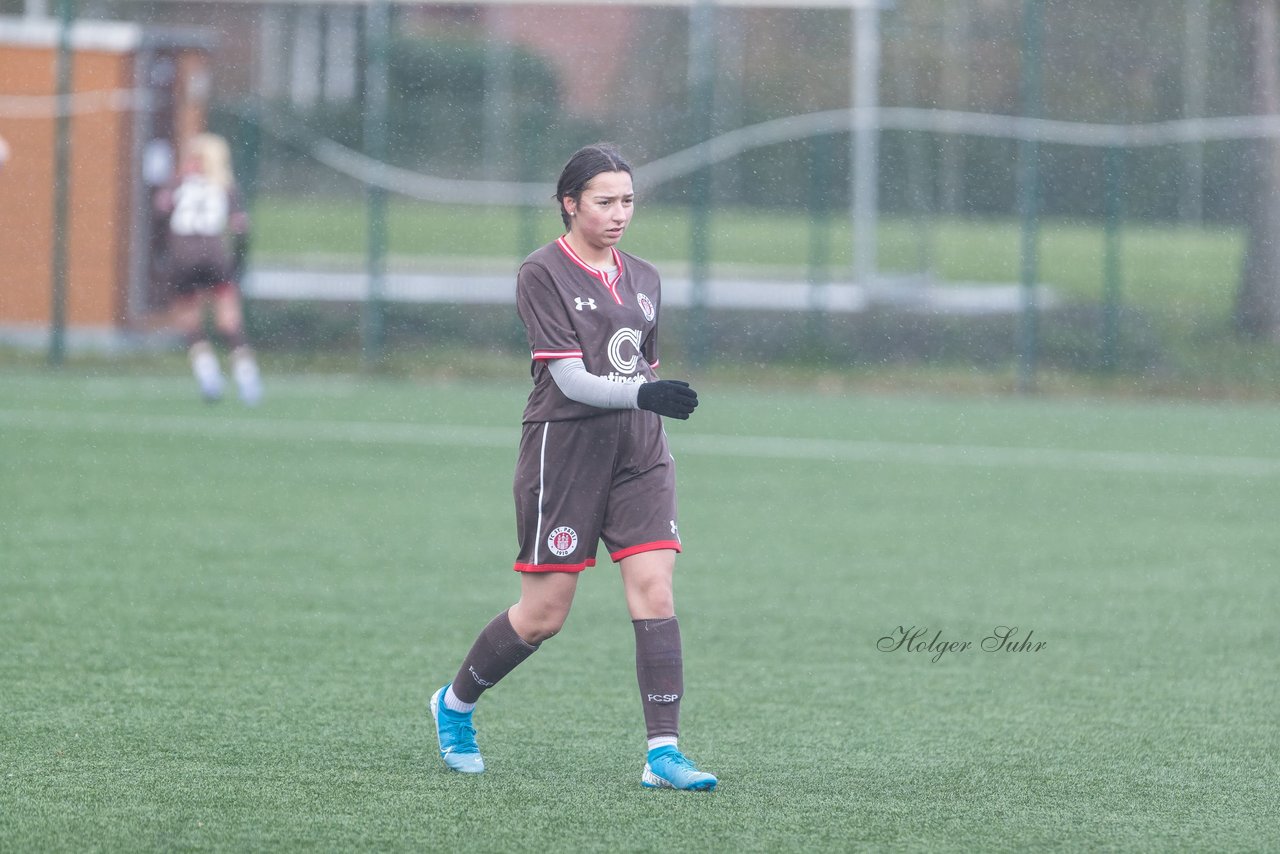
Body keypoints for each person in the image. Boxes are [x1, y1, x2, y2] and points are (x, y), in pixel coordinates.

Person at [429, 143, 716, 791]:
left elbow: (642, 366)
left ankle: (663, 753)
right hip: (565, 452)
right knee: (544, 615)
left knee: (655, 588)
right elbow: (571, 379)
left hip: (640, 453)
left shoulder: (646, 277)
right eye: (604, 201)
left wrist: (650, 396)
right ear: (570, 204)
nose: (619, 214)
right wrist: (645, 392)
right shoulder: (542, 272)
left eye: (628, 202)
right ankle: (454, 706)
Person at [154, 133, 261, 405]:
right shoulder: (225, 186)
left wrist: (161, 256)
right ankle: (247, 379)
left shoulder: (176, 184)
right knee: (229, 321)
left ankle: (208, 375)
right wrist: (238, 265)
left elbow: (159, 217)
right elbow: (240, 229)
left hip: (182, 259)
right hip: (214, 257)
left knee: (190, 320)